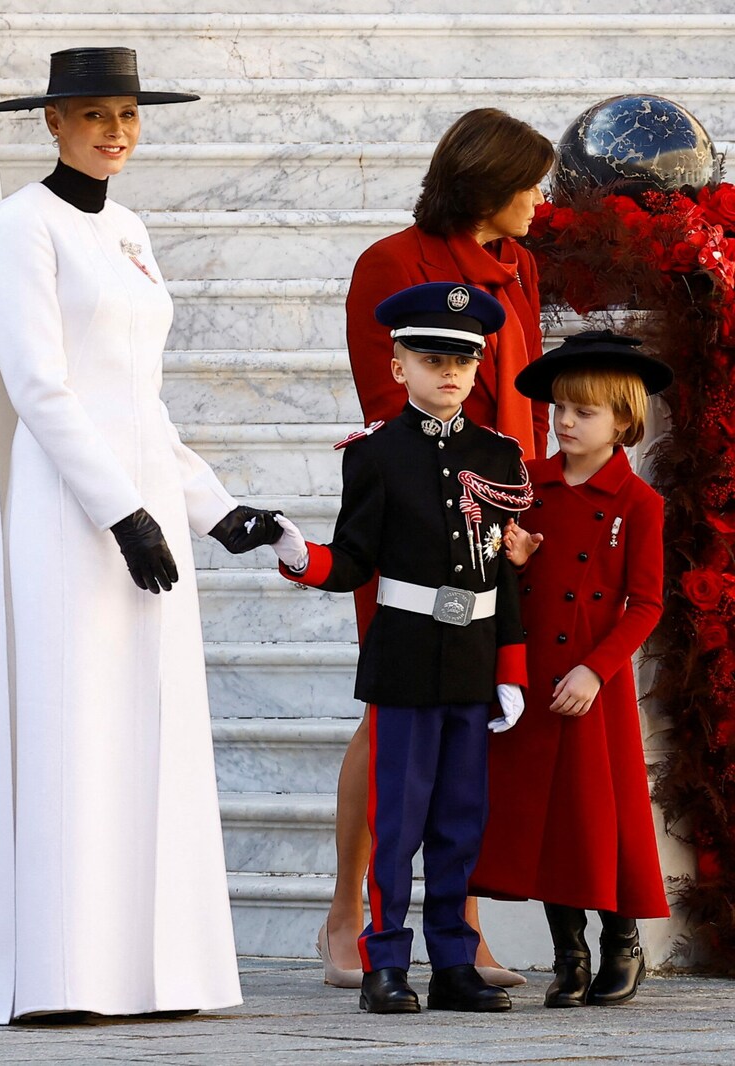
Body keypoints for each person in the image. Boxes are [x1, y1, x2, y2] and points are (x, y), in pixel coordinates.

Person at [0, 47, 283, 1024]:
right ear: (50, 123)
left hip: (142, 514)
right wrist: (120, 509)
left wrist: (209, 504)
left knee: (149, 731)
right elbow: (41, 386)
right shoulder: (23, 226)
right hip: (69, 516)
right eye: (95, 113)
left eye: (129, 114)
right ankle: (61, 977)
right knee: (74, 728)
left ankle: (152, 972)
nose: (116, 131)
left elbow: (138, 400)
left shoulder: (132, 229)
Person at [321, 108, 554, 989]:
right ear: (487, 182)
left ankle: (458, 929)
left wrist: (519, 510)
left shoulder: (519, 264)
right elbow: (387, 411)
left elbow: (522, 397)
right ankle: (348, 917)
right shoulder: (392, 263)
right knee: (391, 713)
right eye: (529, 182)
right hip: (414, 521)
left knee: (465, 718)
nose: (540, 199)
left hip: (503, 526)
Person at [272, 282, 533, 1014]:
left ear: (480, 366)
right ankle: (385, 960)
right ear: (398, 367)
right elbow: (355, 559)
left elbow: (506, 571)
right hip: (406, 657)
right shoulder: (377, 454)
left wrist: (509, 670)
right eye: (431, 356)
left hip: (475, 657)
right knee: (397, 823)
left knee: (459, 820)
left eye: (463, 358)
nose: (449, 371)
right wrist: (303, 558)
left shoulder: (500, 455)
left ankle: (453, 963)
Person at [469, 329, 673, 1008]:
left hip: (594, 684)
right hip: (534, 677)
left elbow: (645, 604)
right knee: (546, 817)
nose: (564, 422)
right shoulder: (529, 489)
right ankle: (570, 953)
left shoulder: (639, 504)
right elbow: (499, 578)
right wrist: (512, 561)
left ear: (622, 419)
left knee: (599, 814)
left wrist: (596, 671)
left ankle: (623, 943)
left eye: (582, 411)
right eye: (559, 408)